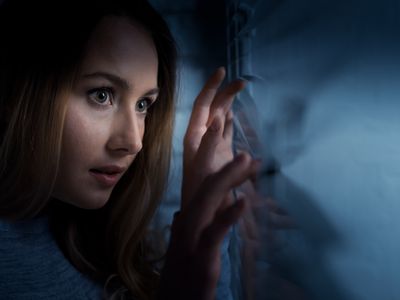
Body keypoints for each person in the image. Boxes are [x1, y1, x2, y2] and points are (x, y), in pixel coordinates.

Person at [0, 0, 260, 299]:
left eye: (143, 105)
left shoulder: (96, 240)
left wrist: (203, 211)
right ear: (17, 93)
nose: (134, 142)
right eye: (101, 95)